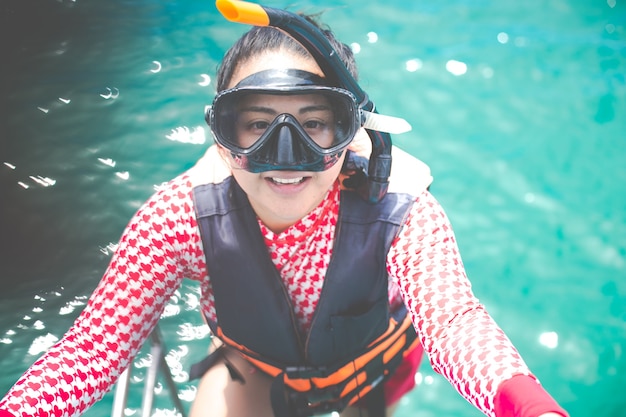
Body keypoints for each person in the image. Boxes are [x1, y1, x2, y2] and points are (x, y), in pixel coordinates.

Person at [0, 4, 568, 417]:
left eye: (315, 124)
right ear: (223, 138)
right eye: (256, 125)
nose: (286, 160)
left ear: (353, 134)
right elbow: (94, 346)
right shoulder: (180, 217)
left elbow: (452, 322)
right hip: (253, 373)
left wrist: (528, 406)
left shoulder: (402, 212)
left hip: (370, 378)